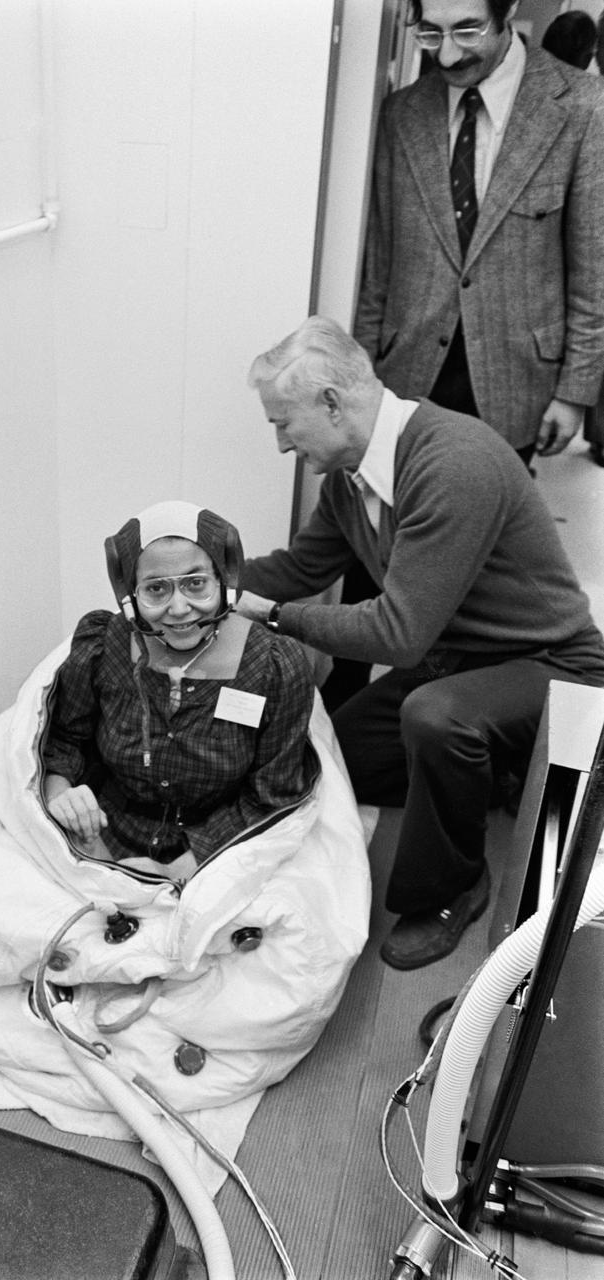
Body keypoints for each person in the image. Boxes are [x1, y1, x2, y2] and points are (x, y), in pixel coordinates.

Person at [236, 316, 604, 970]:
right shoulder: (351, 478)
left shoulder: (451, 463)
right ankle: (492, 774)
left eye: (281, 423)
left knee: (433, 719)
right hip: (459, 663)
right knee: (338, 753)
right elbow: (299, 569)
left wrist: (273, 616)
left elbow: (397, 635)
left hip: (553, 665)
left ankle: (451, 887)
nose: (279, 445)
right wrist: (199, 577)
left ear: (331, 403)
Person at [330, 0, 604, 714]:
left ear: (507, 12)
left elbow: (592, 261)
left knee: (477, 557)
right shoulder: (403, 112)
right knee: (378, 536)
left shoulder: (578, 105)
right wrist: (357, 369)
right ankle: (353, 695)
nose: (446, 55)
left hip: (514, 373)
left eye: (465, 32)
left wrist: (575, 387)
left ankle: (458, 709)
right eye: (428, 33)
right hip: (406, 362)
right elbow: (380, 264)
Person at [41, 499, 320, 875]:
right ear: (130, 595)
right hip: (103, 834)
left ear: (224, 580)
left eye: (196, 584)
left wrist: (178, 869)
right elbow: (64, 741)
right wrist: (62, 797)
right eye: (156, 589)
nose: (178, 608)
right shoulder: (104, 645)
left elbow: (274, 793)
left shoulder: (274, 665)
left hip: (223, 848)